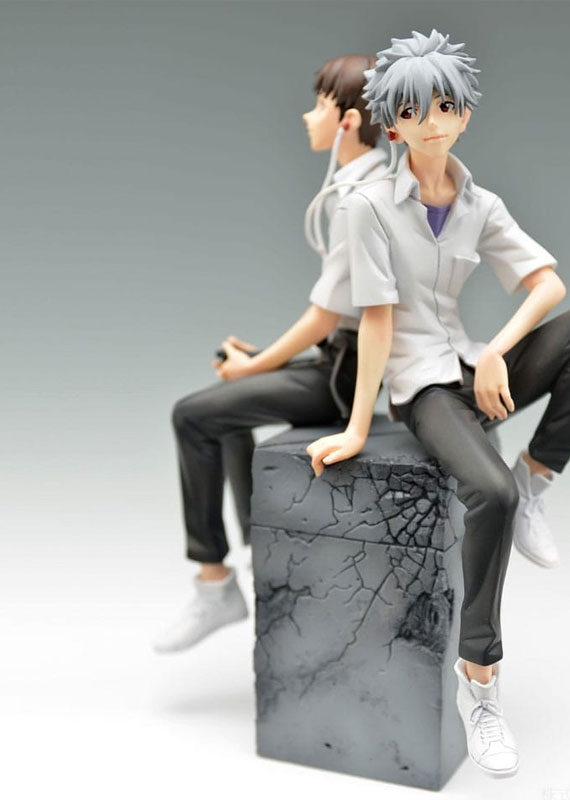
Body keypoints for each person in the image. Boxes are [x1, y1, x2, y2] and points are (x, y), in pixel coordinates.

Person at [306, 30, 570, 777]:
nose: (433, 121)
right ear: (392, 127)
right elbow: (377, 321)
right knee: (489, 494)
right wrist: (357, 427)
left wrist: (496, 350)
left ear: (464, 115)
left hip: (473, 364)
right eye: (414, 110)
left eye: (446, 106)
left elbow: (547, 283)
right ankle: (480, 681)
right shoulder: (366, 207)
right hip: (423, 388)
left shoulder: (479, 202)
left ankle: (538, 474)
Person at [153, 54, 386, 654]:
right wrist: (259, 365)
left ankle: (215, 582)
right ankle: (260, 549)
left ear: (348, 121)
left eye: (320, 106)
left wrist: (255, 367)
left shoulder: (360, 198)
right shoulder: (361, 185)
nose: (308, 117)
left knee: (192, 415)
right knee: (223, 409)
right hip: (339, 360)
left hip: (343, 374)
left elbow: (325, 317)